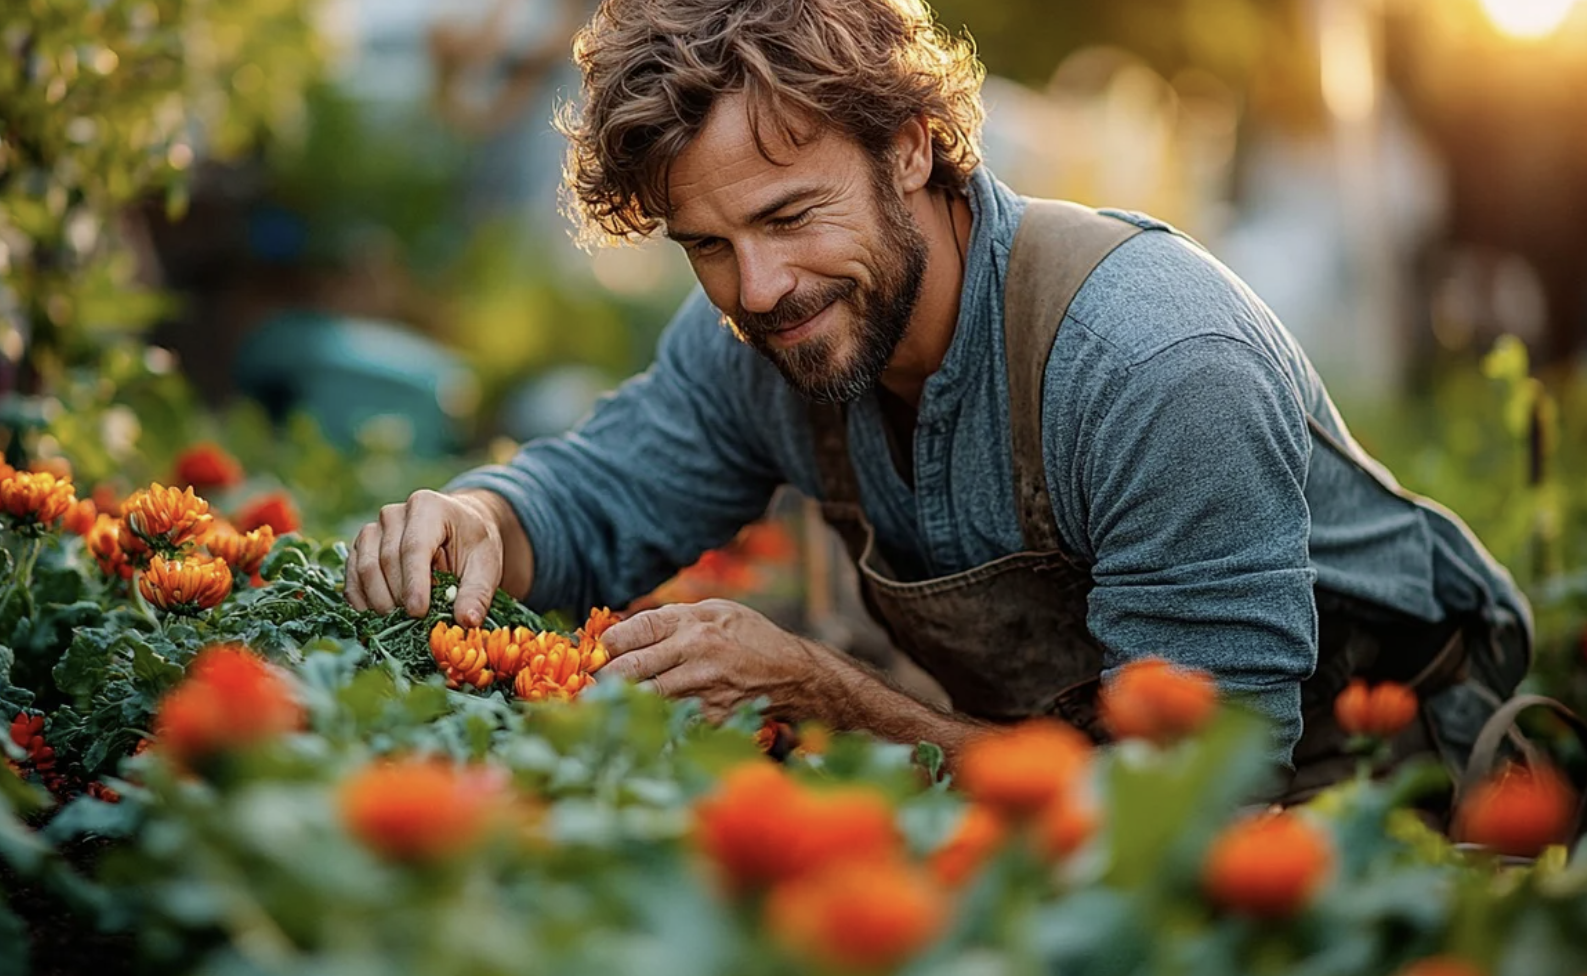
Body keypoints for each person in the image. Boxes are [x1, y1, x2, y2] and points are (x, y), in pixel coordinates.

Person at [343, 0, 1530, 794]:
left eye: (789, 216)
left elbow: (1200, 801)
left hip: (1375, 814)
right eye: (706, 244)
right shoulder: (764, 333)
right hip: (1062, 806)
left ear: (911, 146)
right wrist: (482, 520)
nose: (756, 288)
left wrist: (833, 697)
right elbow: (603, 494)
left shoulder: (1158, 365)